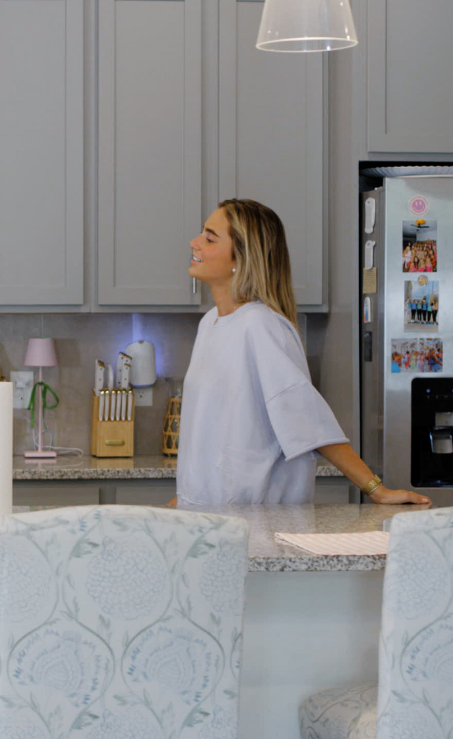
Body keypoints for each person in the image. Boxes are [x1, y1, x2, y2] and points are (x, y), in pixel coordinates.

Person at [173, 199, 429, 509]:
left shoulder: (259, 325)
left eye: (210, 237)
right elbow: (207, 433)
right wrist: (183, 502)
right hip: (205, 517)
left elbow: (309, 422)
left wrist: (376, 490)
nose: (194, 243)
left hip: (255, 522)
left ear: (241, 258)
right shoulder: (210, 324)